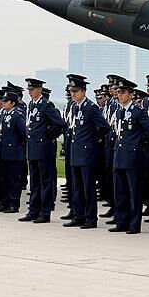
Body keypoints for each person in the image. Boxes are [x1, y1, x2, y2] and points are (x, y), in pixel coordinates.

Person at [108, 78, 149, 235]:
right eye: (119, 93)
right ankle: (121, 222)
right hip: (119, 155)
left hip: (133, 157)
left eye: (123, 93)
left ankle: (134, 224)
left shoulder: (138, 111)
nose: (120, 95)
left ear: (131, 94)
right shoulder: (118, 111)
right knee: (120, 192)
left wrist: (136, 143)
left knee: (134, 192)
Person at [64, 75, 110, 229]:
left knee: (88, 187)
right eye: (71, 91)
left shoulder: (91, 107)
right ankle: (78, 215)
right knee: (76, 186)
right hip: (76, 152)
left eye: (76, 91)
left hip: (86, 153)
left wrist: (93, 141)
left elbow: (104, 127)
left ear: (83, 91)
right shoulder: (75, 107)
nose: (73, 93)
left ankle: (90, 218)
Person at [20, 78, 65, 223]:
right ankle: (33, 210)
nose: (30, 93)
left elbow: (59, 124)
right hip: (32, 148)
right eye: (29, 90)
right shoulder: (31, 105)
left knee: (44, 181)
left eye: (32, 90)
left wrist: (47, 136)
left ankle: (45, 212)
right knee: (34, 181)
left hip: (43, 148)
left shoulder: (46, 105)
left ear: (39, 89)